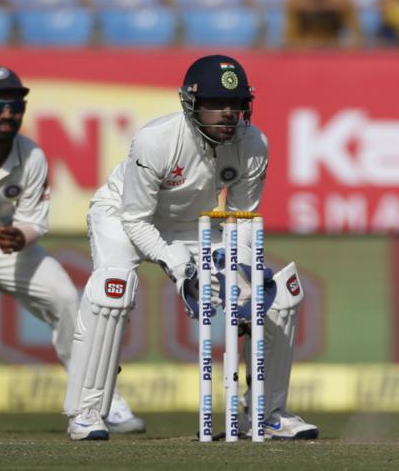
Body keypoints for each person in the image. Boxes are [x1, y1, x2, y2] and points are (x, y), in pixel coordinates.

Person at [63, 54, 318, 441]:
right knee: (112, 291)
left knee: (277, 296)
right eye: (217, 104)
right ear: (191, 104)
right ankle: (86, 412)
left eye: (235, 104)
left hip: (194, 225)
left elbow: (241, 219)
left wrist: (242, 278)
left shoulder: (254, 144)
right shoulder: (156, 140)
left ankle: (267, 414)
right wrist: (177, 265)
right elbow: (135, 219)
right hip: (123, 215)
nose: (228, 113)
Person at [0, 66, 145, 434]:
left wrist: (20, 237)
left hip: (0, 245)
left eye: (15, 104)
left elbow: (35, 222)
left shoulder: (32, 156)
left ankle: (98, 403)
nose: (7, 114)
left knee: (66, 299)